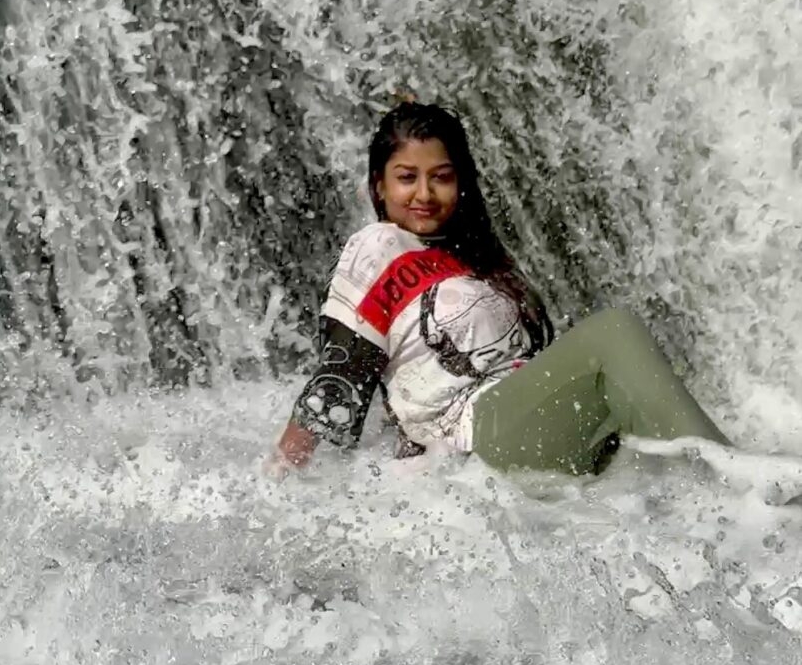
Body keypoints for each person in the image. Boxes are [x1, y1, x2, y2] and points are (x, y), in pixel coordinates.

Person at [267, 102, 729, 478]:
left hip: (521, 428)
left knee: (633, 417)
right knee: (614, 331)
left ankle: (739, 513)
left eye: (441, 177)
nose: (424, 193)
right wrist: (278, 480)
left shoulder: (476, 261)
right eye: (407, 177)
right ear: (379, 187)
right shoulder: (377, 246)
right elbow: (339, 377)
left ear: (461, 183)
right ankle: (732, 485)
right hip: (475, 441)